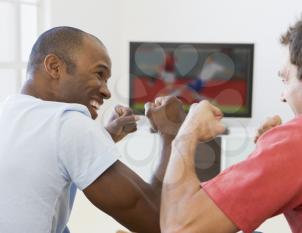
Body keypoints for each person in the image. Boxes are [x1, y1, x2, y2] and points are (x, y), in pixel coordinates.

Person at [160, 4, 302, 233]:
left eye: (285, 80)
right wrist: (274, 153)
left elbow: (180, 228)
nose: (283, 95)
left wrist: (185, 133)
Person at [0, 26, 186, 233]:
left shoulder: (9, 112)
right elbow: (159, 223)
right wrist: (172, 133)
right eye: (99, 74)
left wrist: (105, 136)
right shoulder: (69, 123)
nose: (106, 92)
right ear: (54, 67)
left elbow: (46, 156)